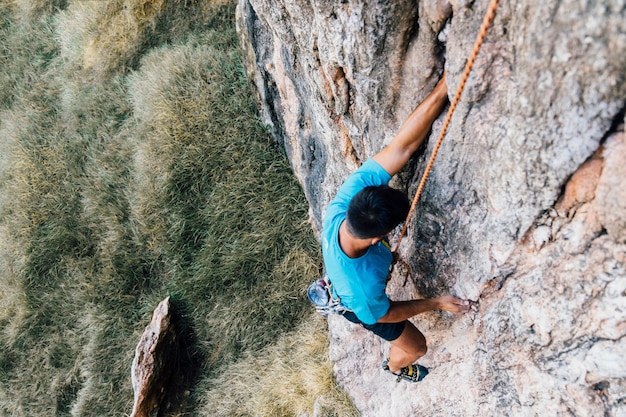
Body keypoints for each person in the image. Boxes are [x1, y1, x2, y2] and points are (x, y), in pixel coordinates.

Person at [321, 74, 470, 383]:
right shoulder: (361, 289)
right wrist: (435, 303)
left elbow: (401, 147)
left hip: (350, 280)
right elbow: (384, 314)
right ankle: (395, 368)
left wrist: (447, 84)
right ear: (377, 239)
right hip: (360, 306)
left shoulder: (347, 203)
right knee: (416, 347)